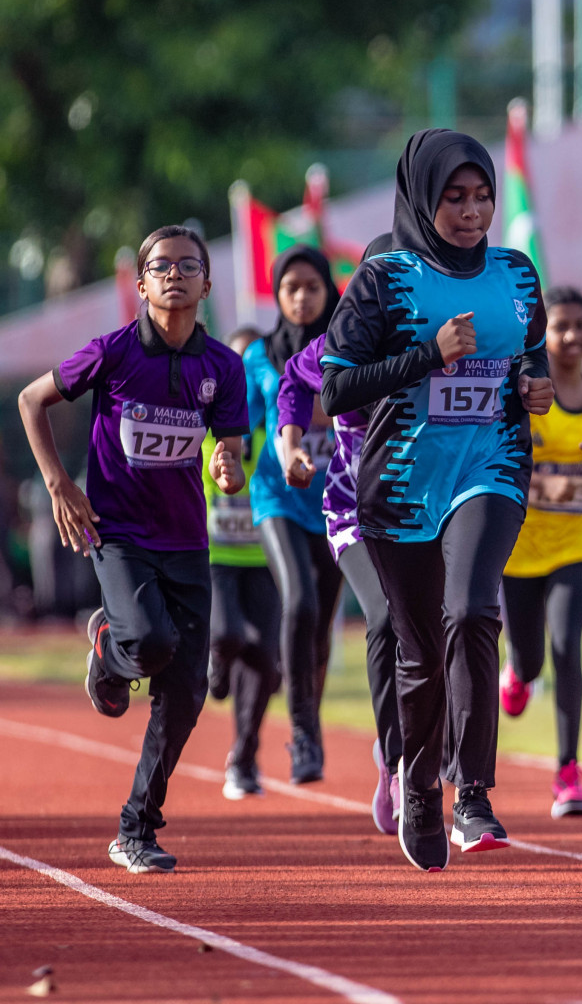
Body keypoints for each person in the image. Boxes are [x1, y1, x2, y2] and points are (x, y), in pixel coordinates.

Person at [322, 129, 553, 871]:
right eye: (455, 197)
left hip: (492, 466)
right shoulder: (384, 279)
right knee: (419, 653)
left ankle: (473, 789)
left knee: (475, 611)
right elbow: (333, 388)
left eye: (482, 195)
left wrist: (532, 386)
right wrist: (428, 356)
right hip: (400, 481)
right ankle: (417, 783)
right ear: (424, 197)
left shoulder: (517, 274)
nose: (473, 210)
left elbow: (531, 354)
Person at [17, 225, 248, 873]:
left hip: (186, 541)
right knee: (148, 641)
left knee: (186, 692)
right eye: (161, 266)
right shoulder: (114, 353)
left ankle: (136, 829)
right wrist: (61, 484)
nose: (174, 275)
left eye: (188, 265)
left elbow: (229, 446)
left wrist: (229, 466)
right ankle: (110, 650)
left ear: (206, 282)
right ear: (143, 284)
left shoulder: (223, 368)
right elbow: (31, 400)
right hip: (116, 531)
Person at [276, 232, 404, 835]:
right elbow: (294, 384)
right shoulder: (336, 344)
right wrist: (292, 443)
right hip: (351, 509)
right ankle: (395, 761)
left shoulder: (440, 343)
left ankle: (434, 748)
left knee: (441, 628)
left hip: (420, 512)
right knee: (381, 618)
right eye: (375, 281)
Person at [498, 285, 582, 818]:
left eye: (579, 326)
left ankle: (568, 771)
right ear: (543, 333)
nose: (570, 336)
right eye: (559, 326)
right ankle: (516, 673)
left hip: (573, 549)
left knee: (567, 648)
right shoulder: (527, 395)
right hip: (517, 551)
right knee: (534, 660)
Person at [245, 245, 343, 785]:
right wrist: (227, 455)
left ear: (329, 290)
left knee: (321, 628)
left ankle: (309, 714)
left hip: (337, 503)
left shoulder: (352, 349)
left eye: (312, 287)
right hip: (276, 496)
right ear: (277, 296)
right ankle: (303, 732)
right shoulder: (259, 356)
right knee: (299, 600)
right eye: (291, 288)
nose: (302, 297)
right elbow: (239, 425)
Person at [203, 327, 282, 800]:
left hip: (266, 556)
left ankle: (244, 758)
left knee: (263, 660)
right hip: (215, 556)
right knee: (229, 633)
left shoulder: (275, 421)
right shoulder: (203, 421)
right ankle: (216, 657)